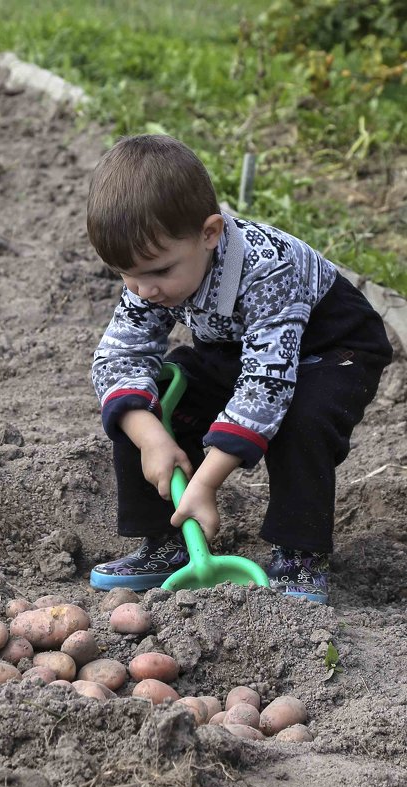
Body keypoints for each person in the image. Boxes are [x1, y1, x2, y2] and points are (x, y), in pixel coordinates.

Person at [86, 133, 392, 603]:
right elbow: (118, 357)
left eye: (159, 273)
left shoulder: (267, 268)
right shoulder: (154, 271)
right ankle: (167, 542)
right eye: (127, 275)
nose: (144, 290)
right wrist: (152, 437)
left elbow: (267, 384)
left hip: (330, 348)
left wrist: (206, 482)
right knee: (157, 398)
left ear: (209, 234)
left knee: (301, 418)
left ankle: (300, 554)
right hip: (238, 346)